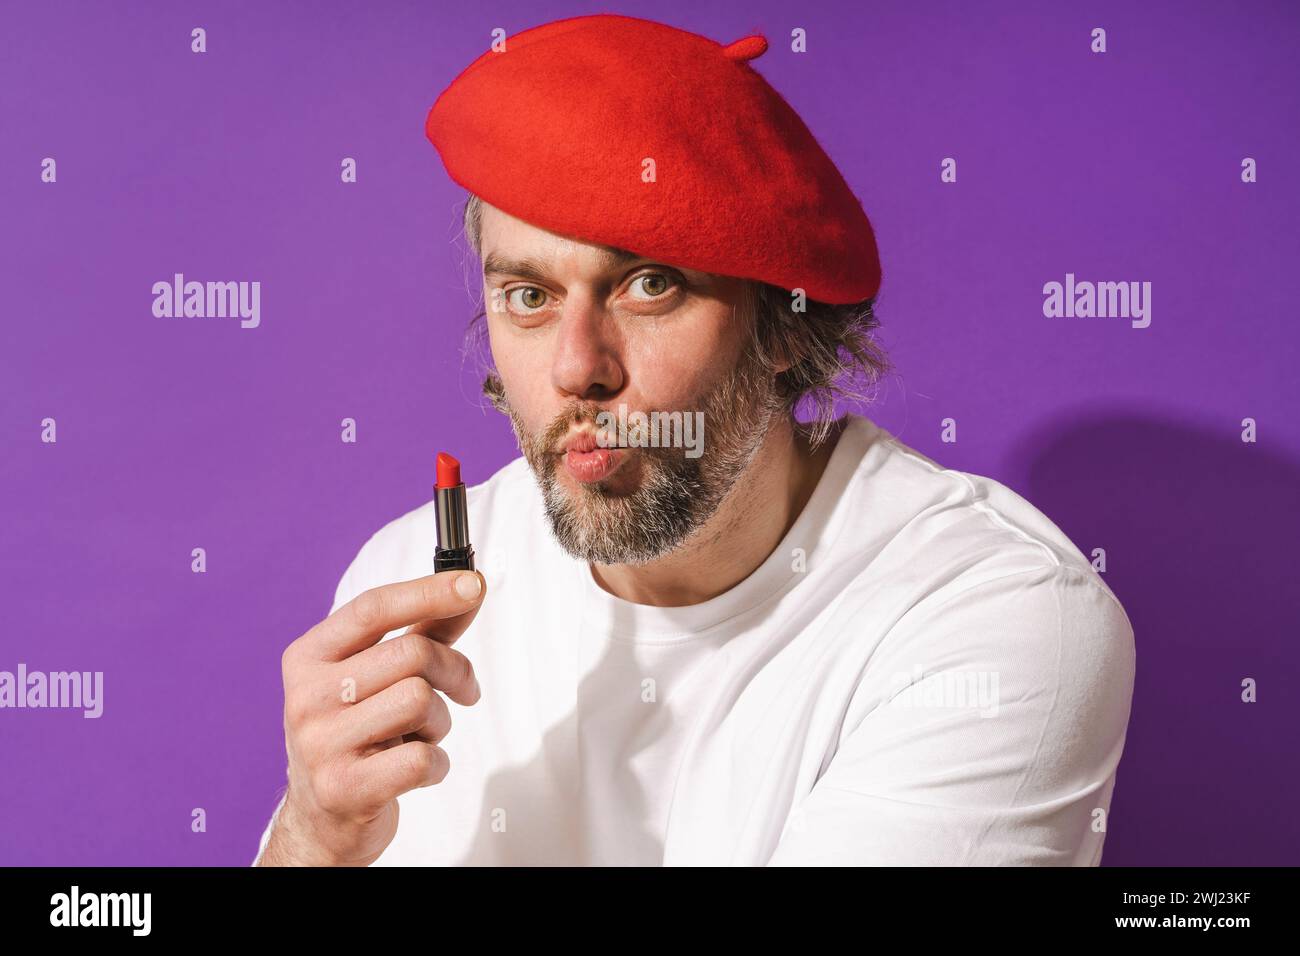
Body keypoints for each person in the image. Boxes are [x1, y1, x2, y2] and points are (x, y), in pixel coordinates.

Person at [253, 14, 1134, 866]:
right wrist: (313, 840)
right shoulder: (406, 582)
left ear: (786, 323)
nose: (577, 370)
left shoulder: (989, 615)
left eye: (649, 286)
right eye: (529, 295)